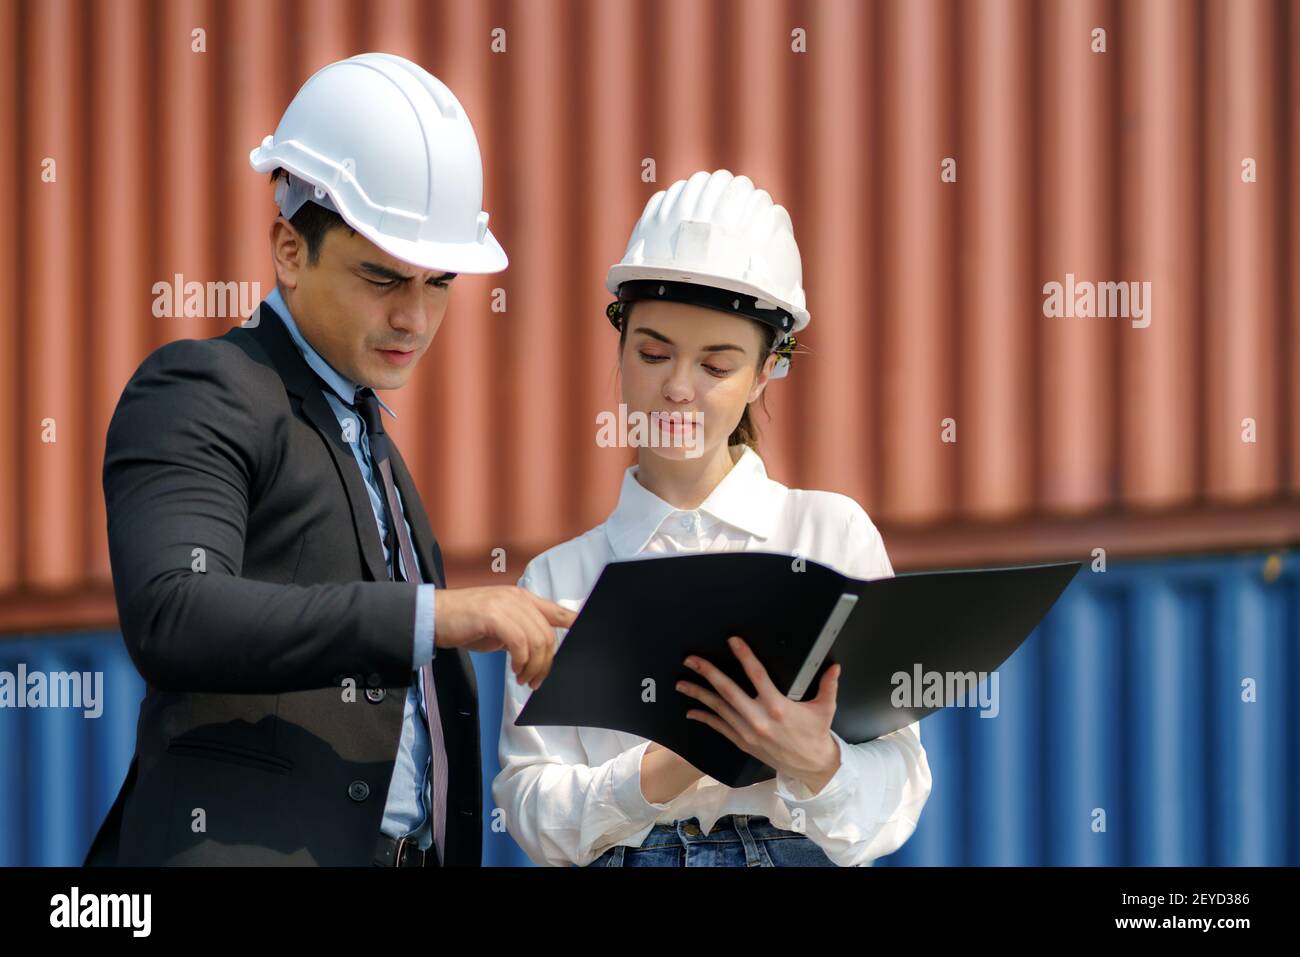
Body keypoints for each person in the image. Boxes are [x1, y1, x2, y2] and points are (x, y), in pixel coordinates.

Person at [84, 52, 571, 867]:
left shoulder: (364, 433)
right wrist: (437, 615)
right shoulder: (203, 386)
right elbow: (174, 609)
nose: (414, 316)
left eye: (438, 282)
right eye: (382, 276)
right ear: (288, 249)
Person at [493, 169, 932, 867]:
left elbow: (901, 790)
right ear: (619, 342)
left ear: (766, 371)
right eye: (653, 352)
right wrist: (664, 768)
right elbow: (528, 806)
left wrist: (813, 758)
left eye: (717, 364)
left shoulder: (829, 536)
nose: (676, 387)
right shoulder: (560, 577)